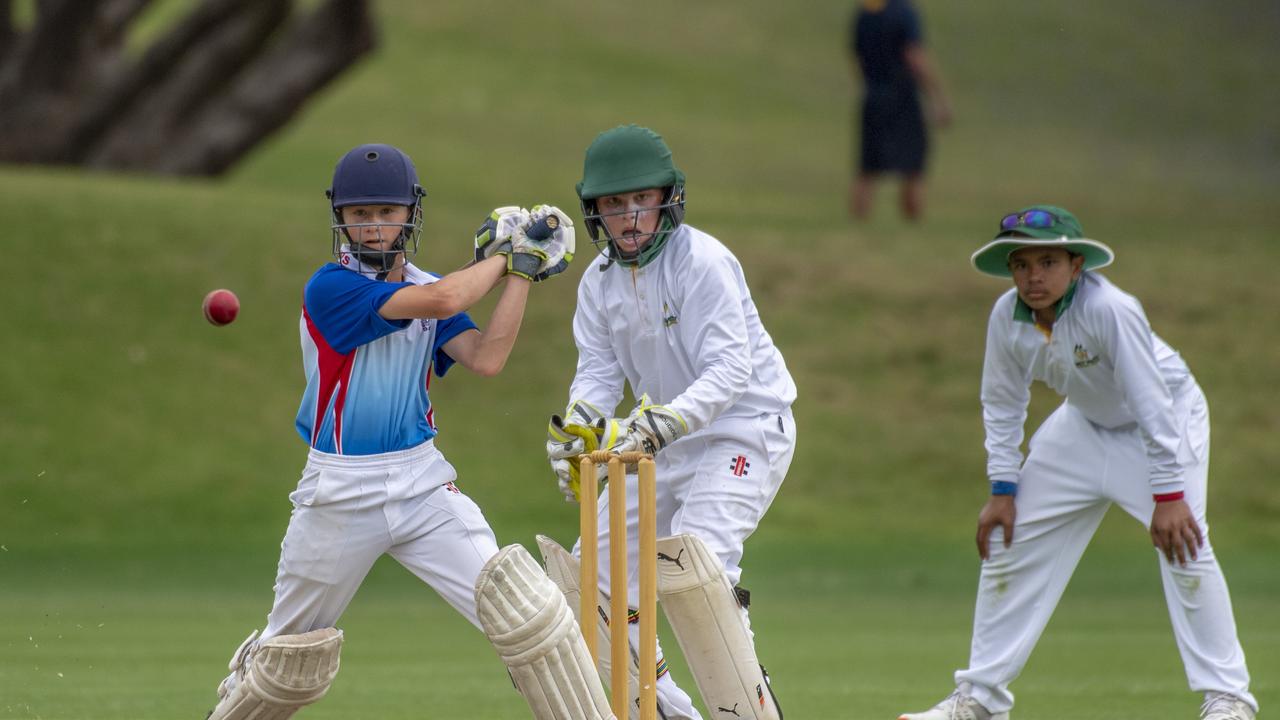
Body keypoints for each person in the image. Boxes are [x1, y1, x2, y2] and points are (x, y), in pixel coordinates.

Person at [204, 143, 616, 720]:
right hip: (340, 491)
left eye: (386, 212)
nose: (374, 227)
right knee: (285, 665)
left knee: (527, 615)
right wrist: (509, 254)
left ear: (410, 214)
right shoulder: (332, 288)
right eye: (360, 214)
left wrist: (522, 271)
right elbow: (445, 296)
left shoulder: (426, 283)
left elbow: (486, 356)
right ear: (340, 219)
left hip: (422, 483)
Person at [898, 206, 1257, 720]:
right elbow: (1002, 402)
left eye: (1047, 262)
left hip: (1161, 420)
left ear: (1076, 265)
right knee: (1008, 538)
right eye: (1021, 265)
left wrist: (1170, 495)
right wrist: (1002, 490)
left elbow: (1152, 401)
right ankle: (980, 701)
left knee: (1185, 545)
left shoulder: (1111, 309)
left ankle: (1229, 699)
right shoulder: (1006, 316)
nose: (1033, 276)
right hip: (1083, 426)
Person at [538, 124, 797, 720]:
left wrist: (662, 422)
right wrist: (581, 428)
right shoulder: (597, 282)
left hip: (744, 429)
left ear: (666, 199)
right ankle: (669, 713)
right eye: (614, 204)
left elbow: (732, 368)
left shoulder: (702, 261)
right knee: (589, 581)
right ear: (594, 211)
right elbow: (599, 375)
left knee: (693, 567)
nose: (629, 216)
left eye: (640, 201)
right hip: (662, 439)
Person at [847, 0, 952, 221]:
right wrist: (938, 97)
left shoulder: (866, 11)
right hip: (903, 96)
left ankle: (858, 223)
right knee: (913, 165)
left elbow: (856, 56)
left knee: (868, 167)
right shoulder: (904, 11)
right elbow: (914, 55)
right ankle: (912, 223)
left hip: (873, 95)